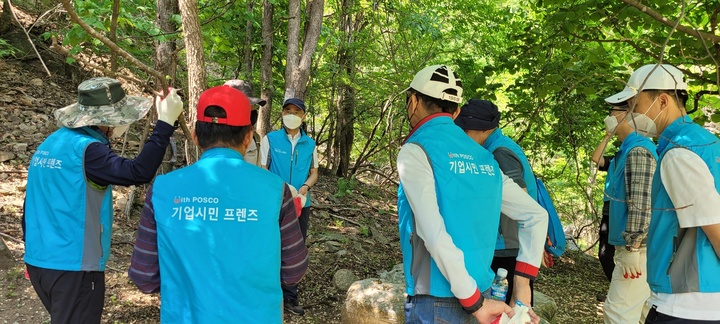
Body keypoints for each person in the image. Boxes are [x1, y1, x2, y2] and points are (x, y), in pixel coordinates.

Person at [128, 85, 309, 323]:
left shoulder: (163, 189)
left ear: (195, 135)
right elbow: (294, 269)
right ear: (247, 138)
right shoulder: (276, 189)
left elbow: (144, 276)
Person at [22, 77, 183, 323]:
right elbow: (137, 172)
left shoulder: (51, 143)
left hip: (39, 261)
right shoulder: (88, 150)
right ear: (107, 119)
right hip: (74, 266)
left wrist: (31, 249)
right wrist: (165, 123)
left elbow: (31, 203)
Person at [398, 64, 546, 323]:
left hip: (438, 299)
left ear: (414, 101)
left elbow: (432, 233)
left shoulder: (416, 151)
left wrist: (474, 303)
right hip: (486, 291)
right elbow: (536, 215)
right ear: (455, 111)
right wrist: (522, 285)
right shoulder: (485, 157)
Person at [605, 63, 720, 322]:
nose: (633, 115)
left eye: (636, 106)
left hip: (687, 300)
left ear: (663, 100)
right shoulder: (707, 142)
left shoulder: (679, 153)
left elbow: (714, 225)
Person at [453, 99, 550, 308]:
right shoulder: (499, 145)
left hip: (508, 245)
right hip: (508, 242)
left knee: (509, 309)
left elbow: (521, 198)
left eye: (464, 130)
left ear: (479, 129)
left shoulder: (500, 153)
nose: (462, 136)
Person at [595, 103, 657, 323]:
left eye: (612, 113)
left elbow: (641, 201)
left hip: (636, 250)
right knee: (642, 312)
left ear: (627, 116)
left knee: (617, 313)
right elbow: (596, 160)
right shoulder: (627, 150)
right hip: (634, 246)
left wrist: (633, 245)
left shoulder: (638, 151)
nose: (609, 117)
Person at [260, 97, 318, 315]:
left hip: (302, 203)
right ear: (282, 114)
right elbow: (263, 168)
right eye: (287, 110)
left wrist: (304, 187)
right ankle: (271, 296)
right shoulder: (270, 139)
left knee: (296, 248)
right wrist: (281, 186)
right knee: (271, 246)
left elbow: (314, 173)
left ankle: (291, 297)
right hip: (275, 202)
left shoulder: (310, 144)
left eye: (296, 111)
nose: (291, 114)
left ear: (303, 116)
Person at [591, 135, 616, 284]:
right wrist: (608, 136)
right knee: (605, 254)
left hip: (625, 213)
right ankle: (615, 288)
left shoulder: (640, 156)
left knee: (621, 256)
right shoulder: (615, 160)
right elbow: (596, 159)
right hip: (609, 212)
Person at [224, 79, 266, 167]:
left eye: (252, 105)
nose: (251, 110)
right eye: (244, 105)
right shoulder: (217, 140)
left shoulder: (255, 137)